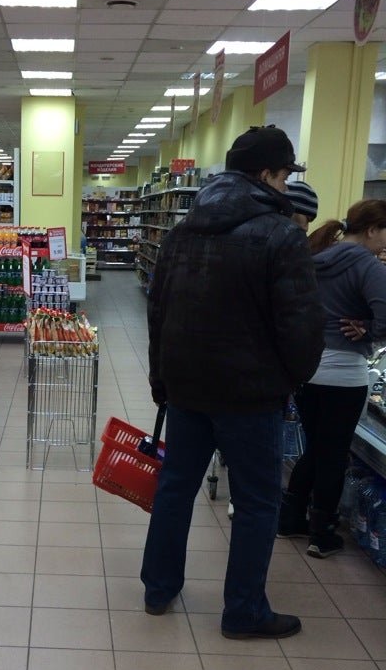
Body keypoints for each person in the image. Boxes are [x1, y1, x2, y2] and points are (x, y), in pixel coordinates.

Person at [143, 125, 324, 640]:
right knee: (257, 503)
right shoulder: (281, 235)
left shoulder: (182, 232)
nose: (286, 185)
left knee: (174, 489)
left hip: (186, 389)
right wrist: (293, 378)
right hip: (251, 397)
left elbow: (158, 312)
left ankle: (158, 588)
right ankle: (243, 611)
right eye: (284, 175)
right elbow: (301, 325)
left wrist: (161, 378)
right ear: (266, 174)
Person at [278, 199, 386, 557]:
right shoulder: (368, 266)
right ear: (372, 229)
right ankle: (321, 532)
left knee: (316, 447)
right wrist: (369, 330)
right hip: (345, 376)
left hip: (309, 370)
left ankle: (291, 517)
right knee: (334, 454)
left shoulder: (317, 258)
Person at [225, 177, 321, 521]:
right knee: (257, 486)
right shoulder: (282, 247)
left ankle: (242, 492)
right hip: (261, 378)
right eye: (302, 221)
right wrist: (297, 373)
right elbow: (298, 322)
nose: (303, 230)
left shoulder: (235, 238)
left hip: (230, 373)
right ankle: (246, 496)